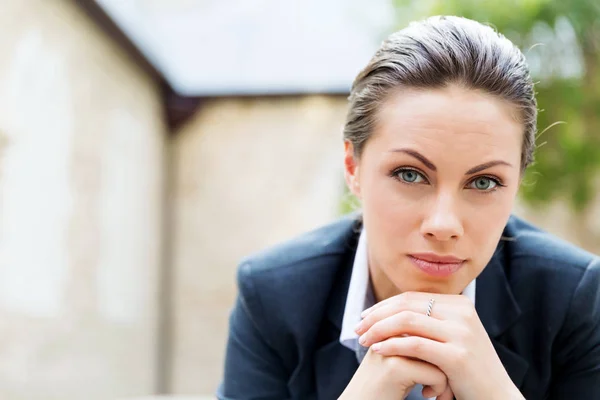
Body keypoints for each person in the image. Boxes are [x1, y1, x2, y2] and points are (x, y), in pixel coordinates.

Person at [216, 15, 600, 400]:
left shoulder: (573, 298)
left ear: (517, 181)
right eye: (410, 174)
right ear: (353, 168)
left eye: (483, 182)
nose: (443, 224)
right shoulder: (273, 295)